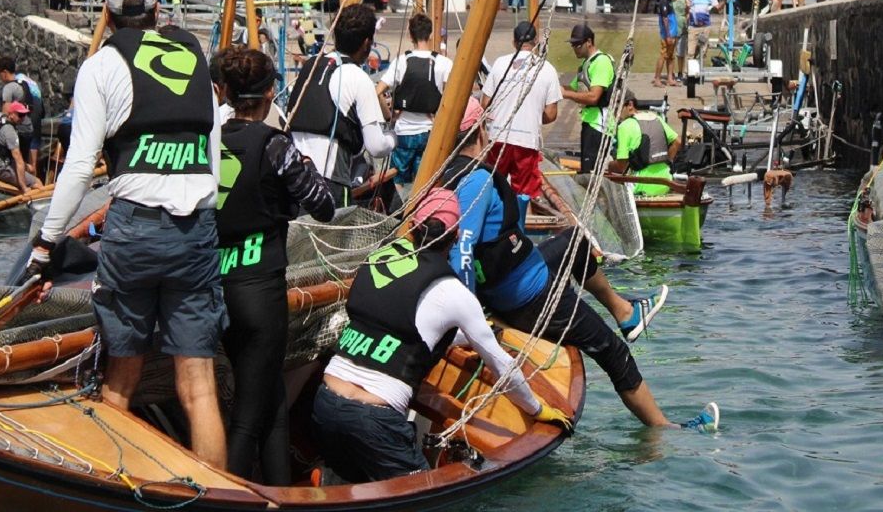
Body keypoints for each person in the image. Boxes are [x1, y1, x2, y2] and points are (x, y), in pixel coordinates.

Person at [27, 0, 226, 467]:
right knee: (199, 385)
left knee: (120, 380)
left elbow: (77, 167)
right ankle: (222, 497)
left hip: (135, 229)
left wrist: (47, 244)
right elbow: (213, 155)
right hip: (196, 230)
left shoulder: (101, 66)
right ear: (159, 12)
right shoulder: (195, 57)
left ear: (108, 17)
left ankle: (109, 484)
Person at [442, 98, 710, 430]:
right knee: (613, 352)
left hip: (515, 278)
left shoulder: (444, 175)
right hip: (530, 297)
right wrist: (469, 319)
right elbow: (462, 251)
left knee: (574, 241)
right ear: (480, 130)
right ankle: (664, 431)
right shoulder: (475, 182)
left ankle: (626, 313)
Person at [312, 188, 571, 483]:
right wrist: (537, 409)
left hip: (325, 402)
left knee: (348, 484)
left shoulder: (377, 258)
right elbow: (502, 366)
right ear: (457, 235)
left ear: (412, 226)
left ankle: (329, 480)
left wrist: (466, 337)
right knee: (422, 494)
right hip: (374, 418)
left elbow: (408, 327)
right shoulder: (454, 293)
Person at [216, 46, 335, 485]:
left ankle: (280, 490)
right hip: (259, 287)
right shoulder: (275, 145)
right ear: (269, 94)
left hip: (218, 281)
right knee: (248, 414)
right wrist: (302, 171)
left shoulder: (214, 141)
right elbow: (322, 206)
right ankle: (226, 495)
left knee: (271, 404)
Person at [288, 3, 395, 205]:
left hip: (294, 176)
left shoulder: (311, 65)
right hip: (329, 183)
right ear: (367, 43)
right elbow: (376, 147)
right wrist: (392, 138)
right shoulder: (358, 77)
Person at [480, 20, 561, 199]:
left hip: (498, 137)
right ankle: (518, 225)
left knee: (494, 187)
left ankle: (495, 221)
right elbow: (551, 113)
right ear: (536, 42)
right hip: (526, 140)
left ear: (514, 42)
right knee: (524, 193)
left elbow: (484, 104)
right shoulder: (547, 69)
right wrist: (532, 113)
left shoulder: (500, 64)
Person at [377, 12, 452, 192]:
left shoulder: (401, 61)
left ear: (410, 35)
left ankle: (400, 213)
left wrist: (389, 117)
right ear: (431, 34)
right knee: (425, 181)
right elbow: (451, 97)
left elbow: (378, 91)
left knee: (398, 179)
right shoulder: (444, 63)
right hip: (430, 130)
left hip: (403, 131)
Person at [561, 24, 614, 174]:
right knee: (586, 170)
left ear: (589, 42)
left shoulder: (601, 62)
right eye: (572, 45)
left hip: (599, 125)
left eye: (577, 44)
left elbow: (593, 97)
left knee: (592, 173)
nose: (574, 48)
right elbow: (573, 89)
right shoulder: (587, 64)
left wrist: (566, 94)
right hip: (589, 122)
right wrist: (552, 86)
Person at [610, 90, 679, 195]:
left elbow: (621, 165)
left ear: (630, 105)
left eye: (617, 109)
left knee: (610, 171)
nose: (616, 114)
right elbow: (678, 142)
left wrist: (609, 166)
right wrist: (667, 161)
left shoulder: (624, 126)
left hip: (640, 186)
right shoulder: (657, 118)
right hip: (666, 183)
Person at [0, 55, 43, 175]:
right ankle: (35, 180)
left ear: (4, 73)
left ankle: (20, 180)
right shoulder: (25, 79)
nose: (0, 78)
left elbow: (5, 112)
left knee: (17, 152)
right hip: (37, 112)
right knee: (33, 150)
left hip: (26, 116)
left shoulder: (9, 86)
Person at [685, 0, 720, 70]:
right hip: (693, 26)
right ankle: (688, 73)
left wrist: (724, 0)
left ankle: (699, 71)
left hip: (705, 27)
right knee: (690, 51)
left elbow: (717, 7)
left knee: (703, 51)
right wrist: (687, 8)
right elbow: (687, 10)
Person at [654, 0, 680, 87]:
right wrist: (668, 35)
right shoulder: (663, 2)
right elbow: (665, 19)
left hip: (673, 34)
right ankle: (657, 79)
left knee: (671, 56)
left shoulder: (669, 0)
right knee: (663, 56)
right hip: (667, 35)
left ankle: (670, 78)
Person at [671, 0, 689, 80]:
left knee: (680, 54)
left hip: (682, 30)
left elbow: (687, 12)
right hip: (671, 31)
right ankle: (671, 73)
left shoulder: (683, 0)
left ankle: (680, 72)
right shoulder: (668, 1)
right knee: (670, 54)